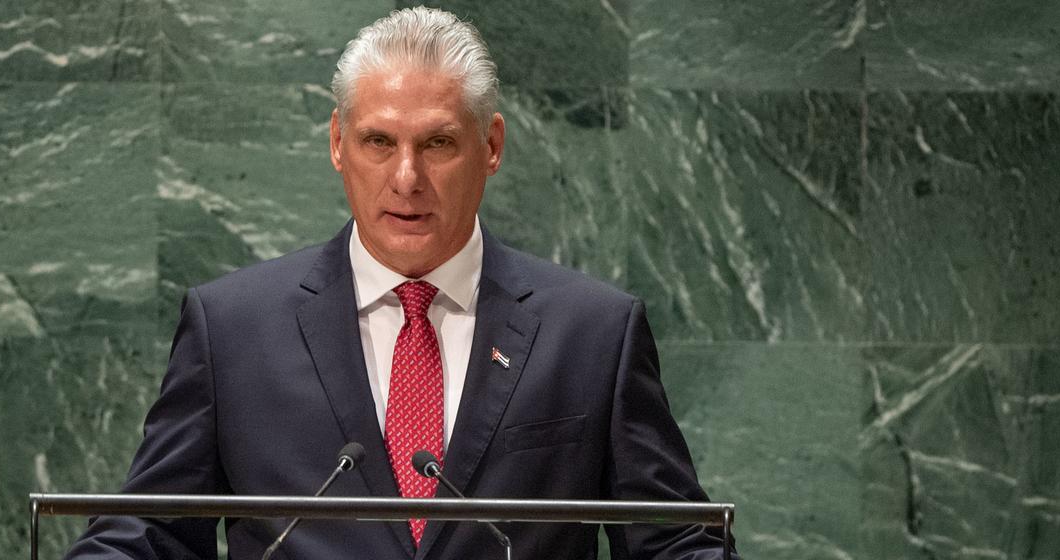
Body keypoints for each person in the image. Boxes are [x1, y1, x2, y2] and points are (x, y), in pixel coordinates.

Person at [66, 7, 736, 559]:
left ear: (491, 146)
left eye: (438, 144)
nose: (407, 178)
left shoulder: (592, 332)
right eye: (378, 142)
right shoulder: (233, 328)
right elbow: (148, 531)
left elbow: (673, 541)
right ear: (336, 143)